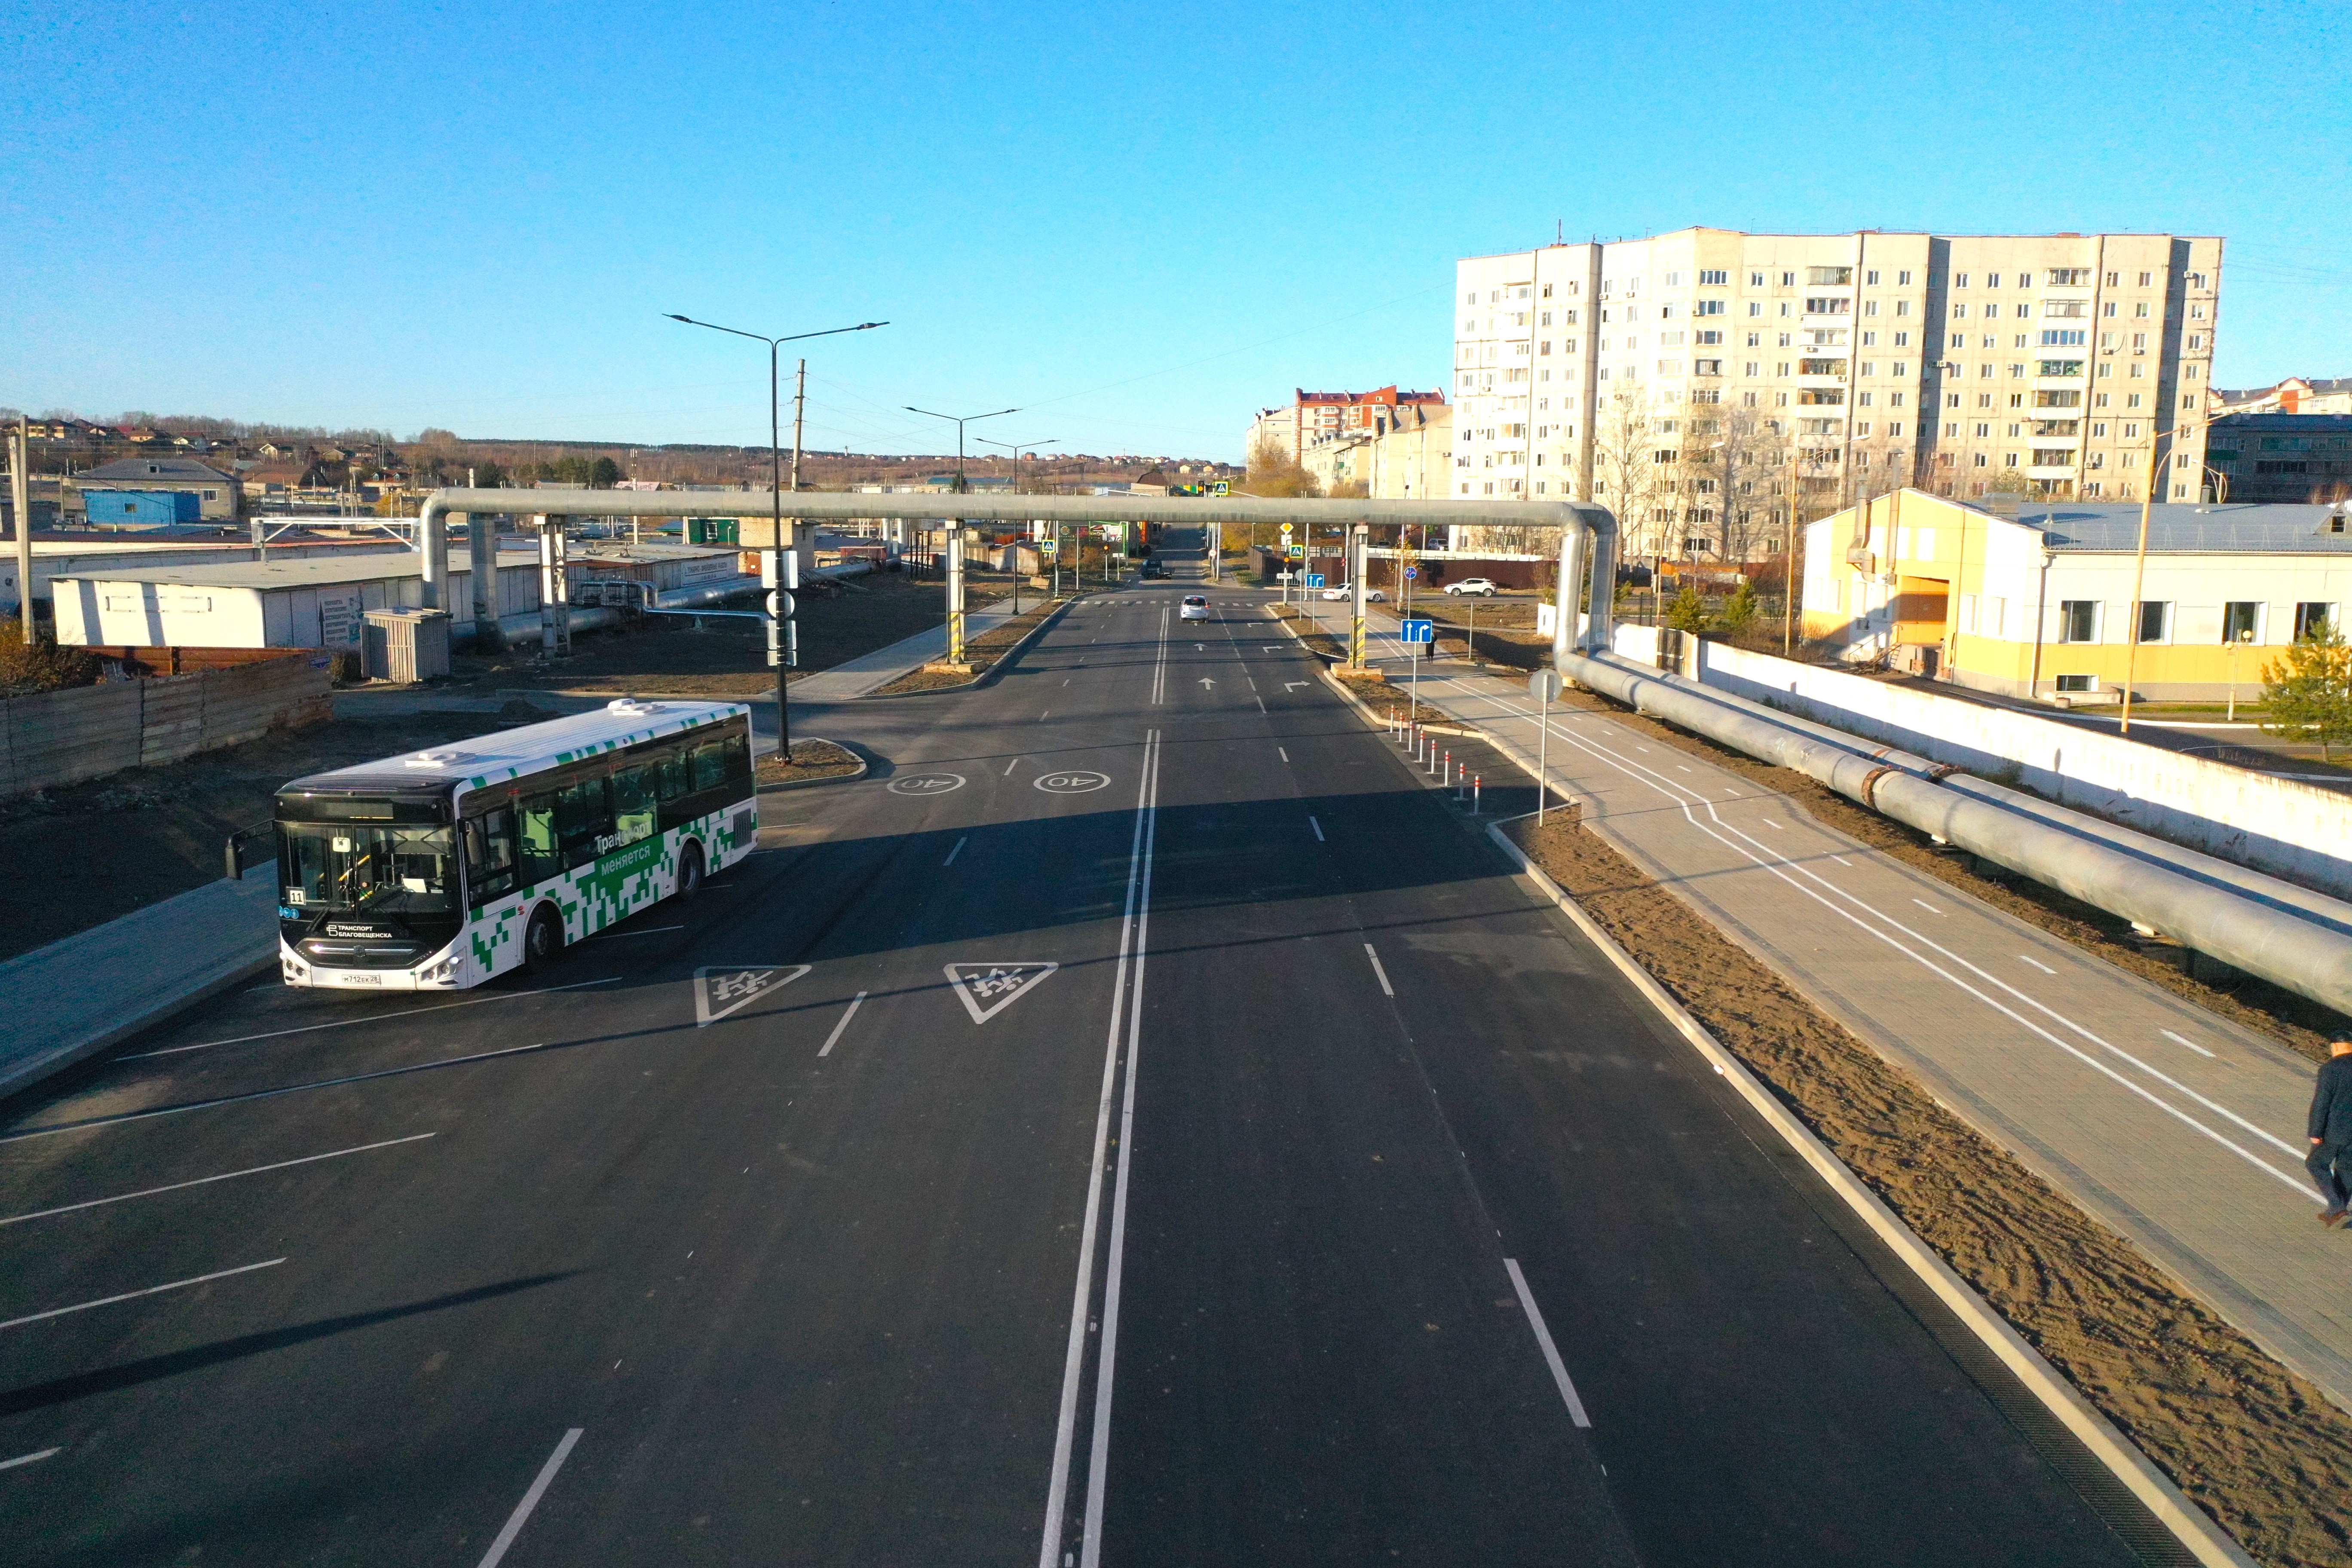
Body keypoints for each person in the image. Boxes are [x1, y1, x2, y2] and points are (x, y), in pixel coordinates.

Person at [2309, 1039, 2352, 1226]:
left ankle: (2336, 1205)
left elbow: (2322, 1102)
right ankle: (2337, 1210)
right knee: (2347, 1168)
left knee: (2315, 1163)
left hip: (2336, 1130)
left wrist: (2315, 1131)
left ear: (2335, 1046)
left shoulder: (2331, 1068)